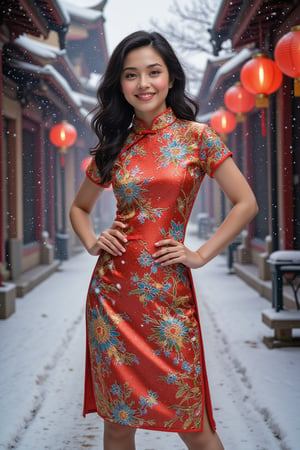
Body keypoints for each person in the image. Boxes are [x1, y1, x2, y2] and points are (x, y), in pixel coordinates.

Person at [70, 30, 258, 450]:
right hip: (112, 298)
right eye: (131, 75)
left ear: (170, 78)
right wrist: (91, 241)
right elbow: (78, 209)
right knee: (118, 425)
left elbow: (245, 203)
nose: (143, 84)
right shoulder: (114, 145)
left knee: (194, 427)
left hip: (168, 301)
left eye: (153, 72)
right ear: (120, 84)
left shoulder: (198, 138)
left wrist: (201, 254)